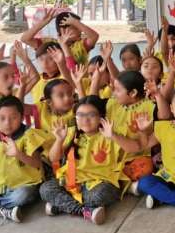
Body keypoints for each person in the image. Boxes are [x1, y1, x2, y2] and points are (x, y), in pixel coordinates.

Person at [40, 96, 139, 225]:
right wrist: (59, 140)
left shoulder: (109, 133)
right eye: (80, 115)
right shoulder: (71, 133)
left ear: (101, 117)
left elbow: (135, 148)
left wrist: (113, 136)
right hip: (72, 183)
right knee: (45, 189)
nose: (85, 120)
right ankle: (85, 211)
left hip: (101, 183)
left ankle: (60, 206)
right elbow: (54, 158)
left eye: (91, 115)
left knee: (98, 196)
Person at [106, 71, 169, 195]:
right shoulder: (112, 104)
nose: (114, 93)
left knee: (145, 167)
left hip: (138, 156)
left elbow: (165, 116)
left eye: (118, 90)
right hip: (113, 156)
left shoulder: (148, 106)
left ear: (133, 93)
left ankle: (127, 185)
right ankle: (130, 186)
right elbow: (87, 105)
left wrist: (158, 95)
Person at [22, 9, 99, 66]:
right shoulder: (49, 44)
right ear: (62, 30)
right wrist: (42, 23)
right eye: (76, 27)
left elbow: (94, 36)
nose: (80, 31)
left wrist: (75, 22)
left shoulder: (80, 45)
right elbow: (25, 39)